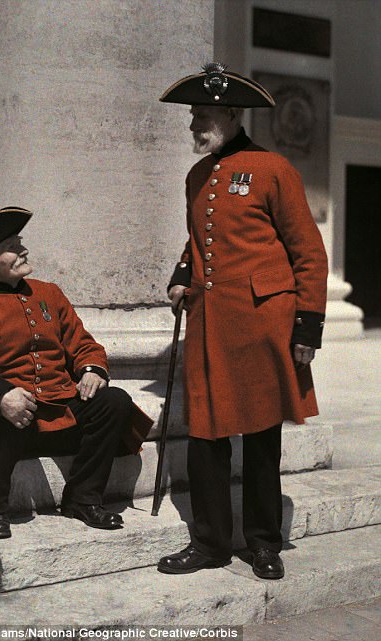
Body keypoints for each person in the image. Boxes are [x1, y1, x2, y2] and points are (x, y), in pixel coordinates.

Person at [156, 63, 328, 579]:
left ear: (231, 114)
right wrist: (180, 275)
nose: (193, 124)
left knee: (260, 438)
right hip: (210, 323)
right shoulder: (196, 175)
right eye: (192, 115)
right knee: (206, 437)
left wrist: (307, 327)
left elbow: (309, 253)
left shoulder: (273, 169)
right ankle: (209, 544)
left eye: (201, 115)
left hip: (262, 324)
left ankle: (263, 543)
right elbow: (199, 241)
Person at [0, 205, 152, 539]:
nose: (23, 249)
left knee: (114, 401)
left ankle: (82, 499)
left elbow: (83, 344)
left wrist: (91, 369)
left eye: (20, 241)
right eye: (11, 246)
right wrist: (0, 395)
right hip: (11, 428)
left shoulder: (49, 294)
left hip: (60, 413)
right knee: (8, 407)